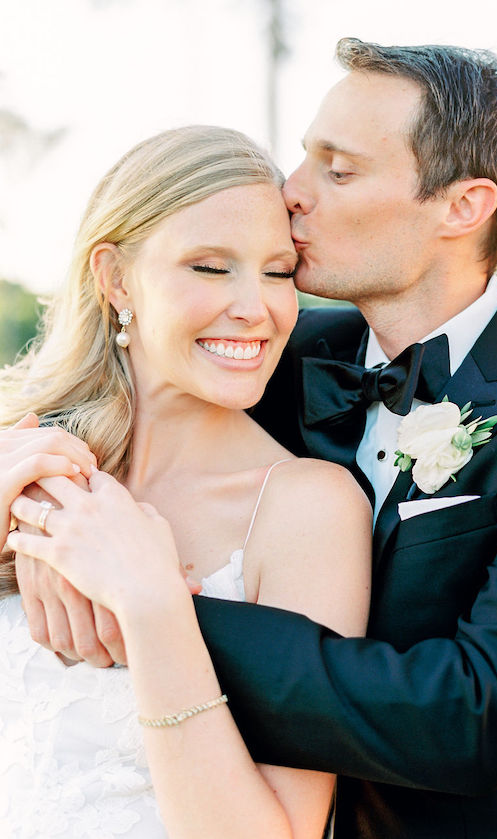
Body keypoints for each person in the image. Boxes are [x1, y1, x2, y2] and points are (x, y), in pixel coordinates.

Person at [4, 37, 497, 838]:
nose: (292, 190)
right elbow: (141, 397)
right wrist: (39, 491)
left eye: (337, 170)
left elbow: (481, 716)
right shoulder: (280, 356)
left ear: (463, 205)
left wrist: (153, 601)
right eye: (303, 159)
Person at [0, 125, 372, 839]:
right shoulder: (27, 461)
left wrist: (152, 602)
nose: (256, 307)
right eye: (209, 267)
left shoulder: (306, 508)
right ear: (114, 278)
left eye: (277, 271)